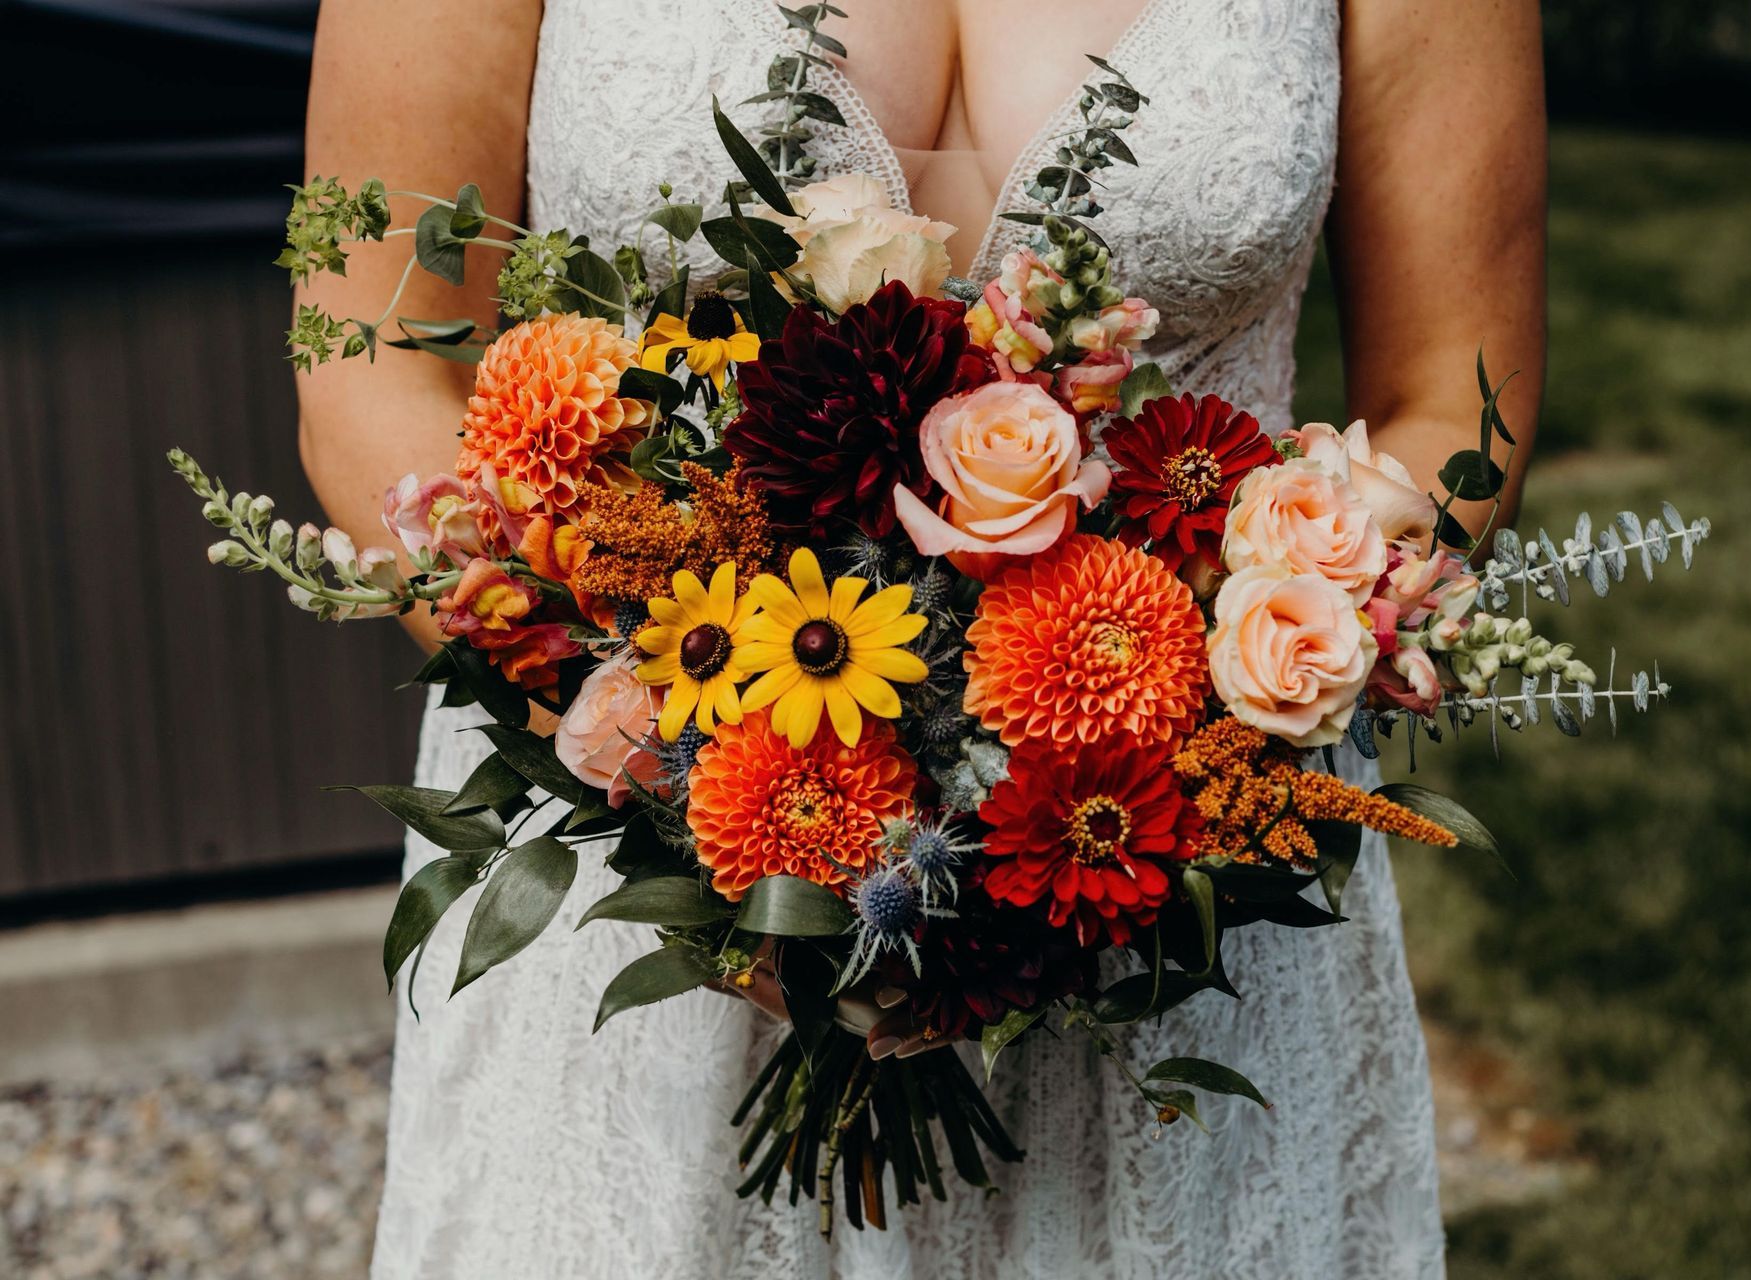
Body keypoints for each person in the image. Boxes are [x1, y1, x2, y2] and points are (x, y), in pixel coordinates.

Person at [298, 1, 1545, 1275]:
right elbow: (370, 370)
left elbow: (1449, 397)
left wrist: (1217, 709)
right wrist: (669, 769)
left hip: (1170, 882)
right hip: (659, 880)